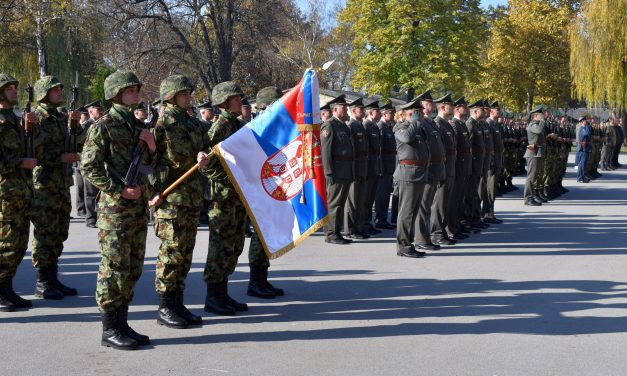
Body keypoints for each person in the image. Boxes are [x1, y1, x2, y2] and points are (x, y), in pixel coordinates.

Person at [81, 71, 156, 350]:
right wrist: (118, 189)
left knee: (133, 265)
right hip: (115, 209)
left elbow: (151, 163)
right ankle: (110, 328)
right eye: (130, 90)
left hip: (136, 207)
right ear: (116, 94)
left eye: (137, 89)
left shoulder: (137, 126)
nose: (136, 93)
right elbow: (89, 166)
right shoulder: (104, 125)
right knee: (113, 267)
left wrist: (151, 145)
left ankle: (122, 322)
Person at [149, 75, 207, 328]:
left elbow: (203, 145)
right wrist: (196, 158)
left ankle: (177, 303)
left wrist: (204, 155)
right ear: (171, 96)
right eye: (183, 93)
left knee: (185, 253)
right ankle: (165, 307)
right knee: (171, 254)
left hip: (190, 196)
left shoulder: (191, 121)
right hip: (172, 197)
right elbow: (168, 159)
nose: (188, 96)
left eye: (189, 93)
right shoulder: (165, 123)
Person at [197, 81, 250, 316]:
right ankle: (213, 297)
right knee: (220, 246)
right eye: (237, 98)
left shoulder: (237, 125)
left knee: (234, 244)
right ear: (226, 102)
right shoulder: (218, 127)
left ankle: (223, 294)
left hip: (237, 196)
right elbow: (204, 164)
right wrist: (229, 180)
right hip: (223, 197)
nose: (241, 101)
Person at [31, 75, 82, 300]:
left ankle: (53, 278)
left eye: (60, 90)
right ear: (44, 93)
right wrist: (60, 157)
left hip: (61, 182)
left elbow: (78, 141)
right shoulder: (36, 118)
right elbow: (34, 150)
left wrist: (76, 124)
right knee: (45, 232)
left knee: (60, 230)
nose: (60, 93)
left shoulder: (61, 117)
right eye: (55, 90)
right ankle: (42, 281)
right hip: (44, 183)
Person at [0, 73, 38, 311]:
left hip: (21, 191)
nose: (15, 90)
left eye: (15, 86)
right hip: (5, 192)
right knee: (5, 243)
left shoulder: (14, 119)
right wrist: (19, 163)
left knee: (19, 242)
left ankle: (7, 288)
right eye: (9, 87)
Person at [245, 86, 286, 299]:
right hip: (259, 187)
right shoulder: (257, 127)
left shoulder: (274, 126)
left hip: (272, 185)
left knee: (266, 234)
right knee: (259, 235)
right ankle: (255, 282)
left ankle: (262, 279)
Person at [394, 99, 430, 258]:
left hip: (419, 172)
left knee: (413, 212)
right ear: (407, 114)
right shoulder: (400, 127)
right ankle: (403, 246)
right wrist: (415, 122)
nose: (421, 114)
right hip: (408, 173)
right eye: (417, 112)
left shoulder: (419, 128)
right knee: (406, 213)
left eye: (420, 112)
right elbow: (407, 139)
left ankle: (409, 243)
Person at [320, 94, 353, 245]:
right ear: (335, 109)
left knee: (340, 203)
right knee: (334, 203)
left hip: (346, 170)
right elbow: (325, 151)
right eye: (343, 108)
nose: (346, 110)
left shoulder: (343, 125)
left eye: (346, 108)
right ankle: (331, 233)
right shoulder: (329, 125)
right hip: (337, 171)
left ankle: (337, 231)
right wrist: (328, 172)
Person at [415, 90, 445, 251]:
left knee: (428, 205)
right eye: (428, 104)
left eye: (432, 104)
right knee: (424, 205)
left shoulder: (431, 122)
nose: (432, 106)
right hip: (427, 169)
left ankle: (425, 236)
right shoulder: (421, 123)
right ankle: (421, 238)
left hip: (435, 169)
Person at [430, 93, 457, 245]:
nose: (452, 108)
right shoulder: (438, 124)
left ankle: (444, 230)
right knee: (439, 202)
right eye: (450, 105)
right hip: (442, 168)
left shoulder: (446, 123)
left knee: (446, 201)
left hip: (450, 167)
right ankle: (436, 232)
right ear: (442, 107)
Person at [343, 97, 370, 239]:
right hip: (355, 168)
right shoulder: (351, 126)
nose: (364, 112)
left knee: (360, 200)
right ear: (354, 111)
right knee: (352, 201)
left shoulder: (360, 125)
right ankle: (349, 230)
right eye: (361, 110)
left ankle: (358, 228)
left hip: (363, 167)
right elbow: (352, 150)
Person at [448, 96, 471, 240]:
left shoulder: (461, 124)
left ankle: (456, 224)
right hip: (457, 164)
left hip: (464, 164)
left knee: (459, 198)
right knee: (453, 198)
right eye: (464, 106)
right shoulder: (453, 124)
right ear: (457, 109)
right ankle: (451, 227)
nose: (466, 109)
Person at [80, 100, 104, 228]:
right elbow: (78, 141)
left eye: (101, 110)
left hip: (100, 162)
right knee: (90, 192)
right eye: (98, 110)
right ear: (90, 112)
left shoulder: (102, 124)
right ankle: (90, 218)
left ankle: (99, 216)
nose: (101, 112)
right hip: (88, 162)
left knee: (100, 192)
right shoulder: (86, 126)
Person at [374, 102, 396, 230]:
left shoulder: (388, 127)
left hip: (390, 165)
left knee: (386, 193)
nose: (393, 115)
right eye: (391, 113)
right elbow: (380, 150)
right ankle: (379, 219)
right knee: (381, 194)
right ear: (384, 113)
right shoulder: (381, 127)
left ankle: (383, 218)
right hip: (384, 166)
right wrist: (380, 167)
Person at [362, 99, 382, 235]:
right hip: (368, 167)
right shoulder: (366, 126)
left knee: (371, 198)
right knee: (365, 198)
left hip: (375, 166)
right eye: (377, 111)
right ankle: (363, 223)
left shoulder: (374, 126)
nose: (380, 113)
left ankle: (368, 222)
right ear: (370, 112)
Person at [523, 106, 547, 206]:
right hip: (533, 153)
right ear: (536, 115)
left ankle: (532, 196)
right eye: (542, 115)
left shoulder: (537, 124)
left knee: (535, 177)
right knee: (531, 177)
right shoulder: (532, 125)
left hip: (538, 153)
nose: (544, 117)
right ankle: (528, 198)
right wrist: (542, 121)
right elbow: (538, 131)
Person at [576, 116, 592, 183]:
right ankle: (580, 177)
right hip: (583, 147)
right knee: (582, 163)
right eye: (585, 121)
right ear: (582, 122)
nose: (586, 122)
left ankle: (582, 176)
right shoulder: (582, 128)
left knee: (584, 163)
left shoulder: (585, 127)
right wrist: (587, 126)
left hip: (586, 146)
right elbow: (587, 134)